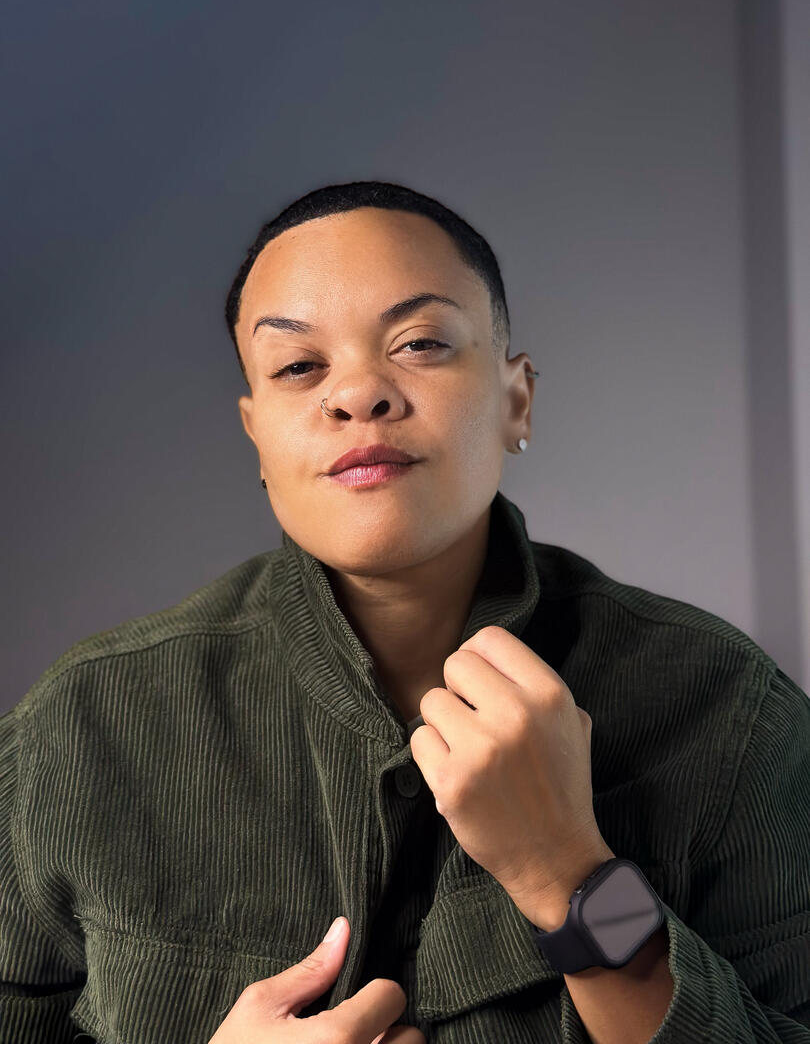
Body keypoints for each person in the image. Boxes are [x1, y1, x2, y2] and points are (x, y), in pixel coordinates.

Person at [1, 180, 808, 1044]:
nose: (358, 395)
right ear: (256, 434)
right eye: (299, 367)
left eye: (419, 343)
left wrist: (568, 875)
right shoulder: (82, 727)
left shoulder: (728, 710)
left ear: (517, 399)